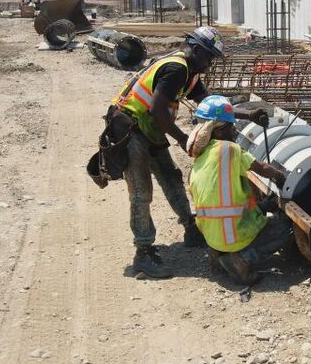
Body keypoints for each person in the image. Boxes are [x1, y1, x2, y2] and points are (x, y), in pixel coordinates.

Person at [106, 27, 269, 278]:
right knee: (141, 191)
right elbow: (157, 110)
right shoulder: (177, 69)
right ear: (194, 48)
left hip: (149, 129)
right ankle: (143, 252)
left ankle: (191, 229)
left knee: (171, 177)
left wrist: (248, 114)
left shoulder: (191, 73)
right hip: (130, 129)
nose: (210, 63)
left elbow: (211, 104)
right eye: (209, 57)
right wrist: (184, 139)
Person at [187, 95, 294, 285]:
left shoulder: (201, 154)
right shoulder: (228, 150)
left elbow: (225, 202)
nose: (234, 131)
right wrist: (281, 177)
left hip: (212, 235)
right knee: (287, 227)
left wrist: (262, 207)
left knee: (256, 218)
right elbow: (263, 169)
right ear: (218, 131)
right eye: (230, 127)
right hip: (231, 235)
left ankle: (219, 255)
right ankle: (241, 260)